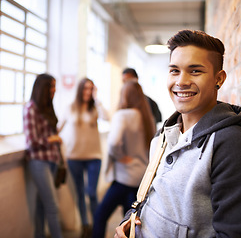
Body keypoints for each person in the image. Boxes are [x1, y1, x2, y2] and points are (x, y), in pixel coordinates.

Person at [115, 29, 241, 237]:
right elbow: (147, 196)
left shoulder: (230, 142)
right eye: (174, 70)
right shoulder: (162, 137)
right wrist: (128, 220)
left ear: (219, 79)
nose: (181, 81)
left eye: (195, 71)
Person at [92, 81, 156, 238]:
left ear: (125, 96)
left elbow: (113, 143)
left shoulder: (123, 115)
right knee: (129, 224)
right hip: (141, 179)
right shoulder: (148, 118)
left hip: (124, 177)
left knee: (100, 216)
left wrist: (120, 156)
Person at [58, 78, 109, 238]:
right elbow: (58, 128)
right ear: (80, 90)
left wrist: (97, 99)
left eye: (91, 89)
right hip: (74, 157)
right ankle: (85, 225)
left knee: (91, 193)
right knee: (80, 193)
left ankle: (96, 225)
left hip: (94, 156)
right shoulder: (70, 108)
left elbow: (107, 117)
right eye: (85, 89)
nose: (88, 92)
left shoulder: (95, 108)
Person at [23, 73, 63, 238]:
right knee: (53, 206)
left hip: (52, 160)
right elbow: (31, 140)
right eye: (51, 86)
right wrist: (51, 139)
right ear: (42, 88)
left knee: (41, 204)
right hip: (38, 162)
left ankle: (39, 235)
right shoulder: (30, 108)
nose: (54, 90)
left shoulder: (47, 107)